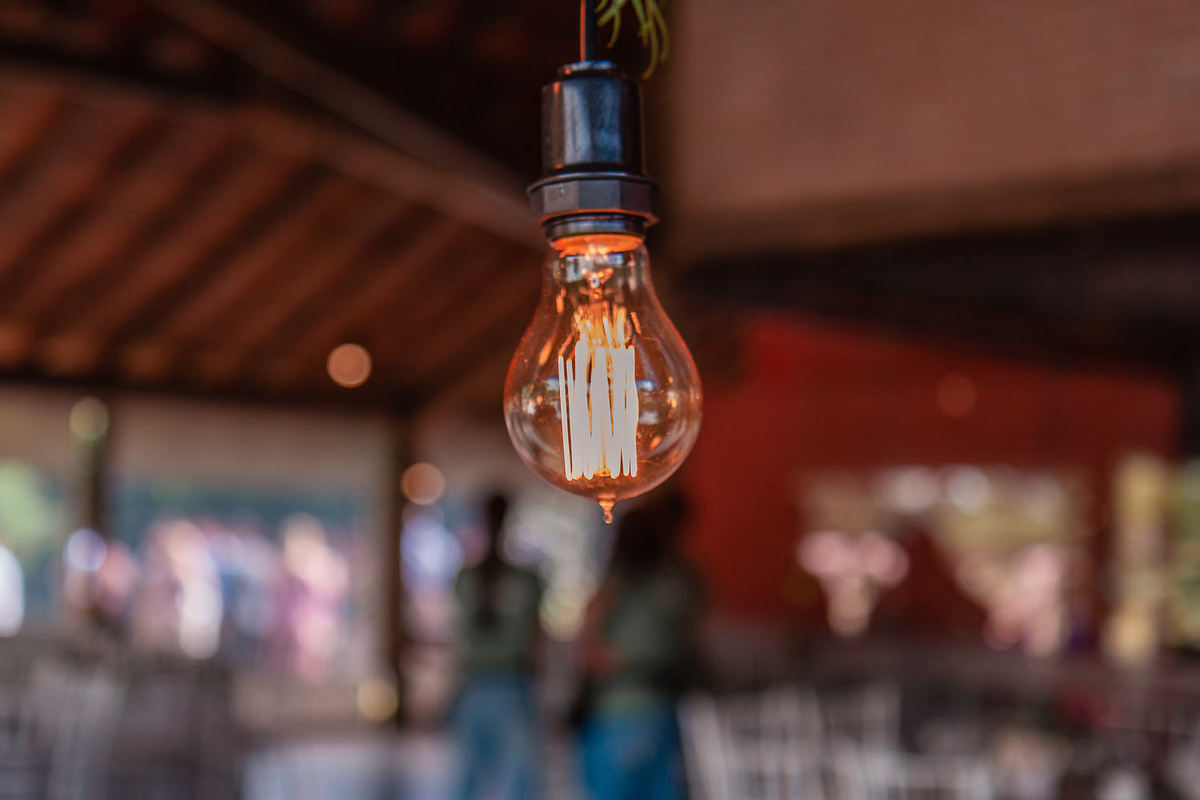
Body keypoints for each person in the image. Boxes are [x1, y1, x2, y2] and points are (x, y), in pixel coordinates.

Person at [577, 491, 703, 800]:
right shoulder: (677, 580)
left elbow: (587, 652)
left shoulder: (617, 585)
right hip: (660, 708)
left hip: (620, 711)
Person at [452, 492, 544, 800]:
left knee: (469, 781)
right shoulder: (525, 580)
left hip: (476, 686)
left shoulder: (466, 578)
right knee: (517, 783)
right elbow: (537, 639)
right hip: (510, 685)